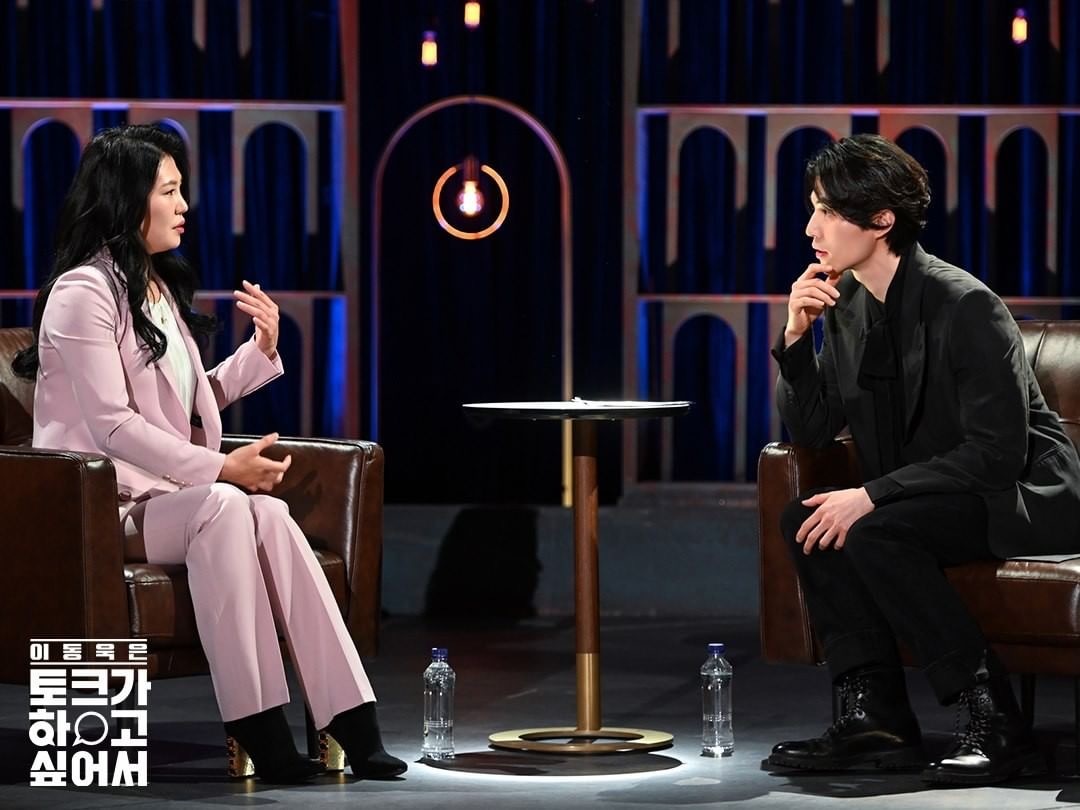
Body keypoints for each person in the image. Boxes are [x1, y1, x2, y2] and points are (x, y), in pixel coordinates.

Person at [12, 124, 407, 784]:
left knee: (269, 514)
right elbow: (113, 425)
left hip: (163, 501)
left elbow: (186, 405)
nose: (184, 205)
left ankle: (348, 719)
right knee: (226, 504)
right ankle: (258, 727)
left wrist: (260, 352)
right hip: (98, 509)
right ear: (128, 198)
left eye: (181, 190)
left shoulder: (154, 289)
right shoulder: (82, 292)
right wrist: (222, 467)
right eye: (169, 191)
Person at [766, 134, 1080, 786]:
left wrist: (873, 495)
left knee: (874, 529)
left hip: (1022, 497)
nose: (810, 229)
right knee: (807, 519)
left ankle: (995, 720)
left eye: (828, 211)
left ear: (882, 219)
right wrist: (795, 338)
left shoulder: (964, 304)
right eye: (813, 209)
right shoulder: (846, 306)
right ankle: (874, 720)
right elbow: (815, 430)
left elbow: (996, 456)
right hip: (933, 497)